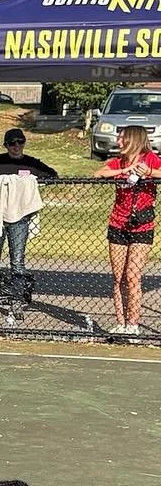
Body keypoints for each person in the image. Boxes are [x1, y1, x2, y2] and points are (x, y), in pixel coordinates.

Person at [0, 128, 56, 301]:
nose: (16, 146)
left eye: (20, 142)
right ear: (6, 145)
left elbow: (52, 175)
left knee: (17, 261)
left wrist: (30, 182)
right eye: (12, 143)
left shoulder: (31, 163)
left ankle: (17, 300)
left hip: (20, 216)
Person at [93, 124, 160, 334]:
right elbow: (98, 173)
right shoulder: (119, 161)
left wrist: (149, 172)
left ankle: (133, 324)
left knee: (133, 275)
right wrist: (123, 171)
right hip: (118, 223)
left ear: (134, 140)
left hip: (142, 225)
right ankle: (120, 323)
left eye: (122, 139)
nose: (118, 142)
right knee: (118, 276)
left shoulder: (149, 158)